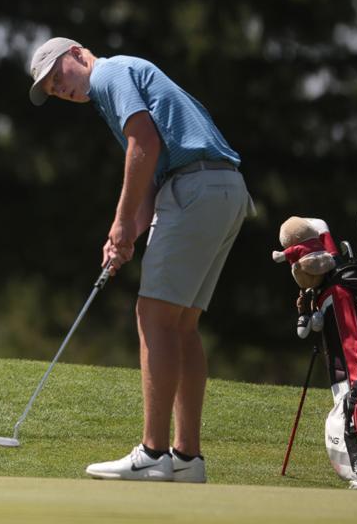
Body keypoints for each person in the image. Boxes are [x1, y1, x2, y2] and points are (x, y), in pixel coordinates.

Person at [27, 37, 250, 484]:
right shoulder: (121, 82)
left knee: (153, 316)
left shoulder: (109, 74)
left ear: (76, 52)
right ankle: (187, 459)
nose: (61, 89)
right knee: (181, 323)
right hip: (224, 190)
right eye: (53, 90)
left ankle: (153, 453)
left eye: (58, 77)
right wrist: (125, 237)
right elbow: (149, 168)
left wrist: (120, 219)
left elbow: (142, 142)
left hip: (194, 188)